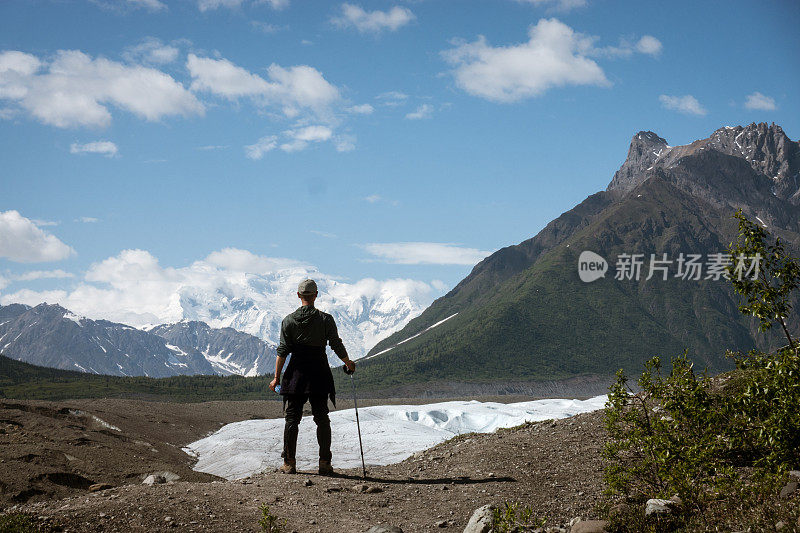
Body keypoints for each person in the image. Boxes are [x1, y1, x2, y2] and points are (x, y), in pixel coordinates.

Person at [269, 279, 356, 475]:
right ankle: (324, 463)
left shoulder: (288, 321)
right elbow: (336, 344)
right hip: (319, 372)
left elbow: (282, 351)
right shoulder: (326, 320)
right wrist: (347, 362)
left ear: (299, 295)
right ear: (315, 295)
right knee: (322, 418)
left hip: (296, 374)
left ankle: (289, 463)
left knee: (292, 419)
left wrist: (276, 378)